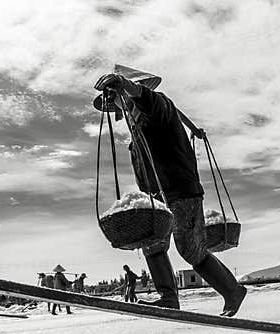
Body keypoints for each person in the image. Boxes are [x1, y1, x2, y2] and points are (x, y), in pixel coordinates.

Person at [95, 66, 246, 317]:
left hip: (180, 190)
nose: (120, 106)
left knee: (190, 249)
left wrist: (126, 85)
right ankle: (168, 298)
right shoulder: (136, 126)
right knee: (152, 242)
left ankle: (232, 291)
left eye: (121, 98)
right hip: (157, 196)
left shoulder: (158, 108)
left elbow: (147, 98)